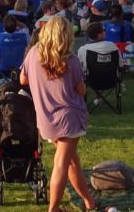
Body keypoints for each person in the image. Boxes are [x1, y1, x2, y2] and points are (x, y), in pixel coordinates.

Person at [20, 17, 97, 212]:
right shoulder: (70, 61)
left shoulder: (33, 54)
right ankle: (53, 208)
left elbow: (23, 80)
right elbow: (81, 90)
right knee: (62, 163)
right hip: (69, 116)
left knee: (72, 161)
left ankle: (89, 201)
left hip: (46, 117)